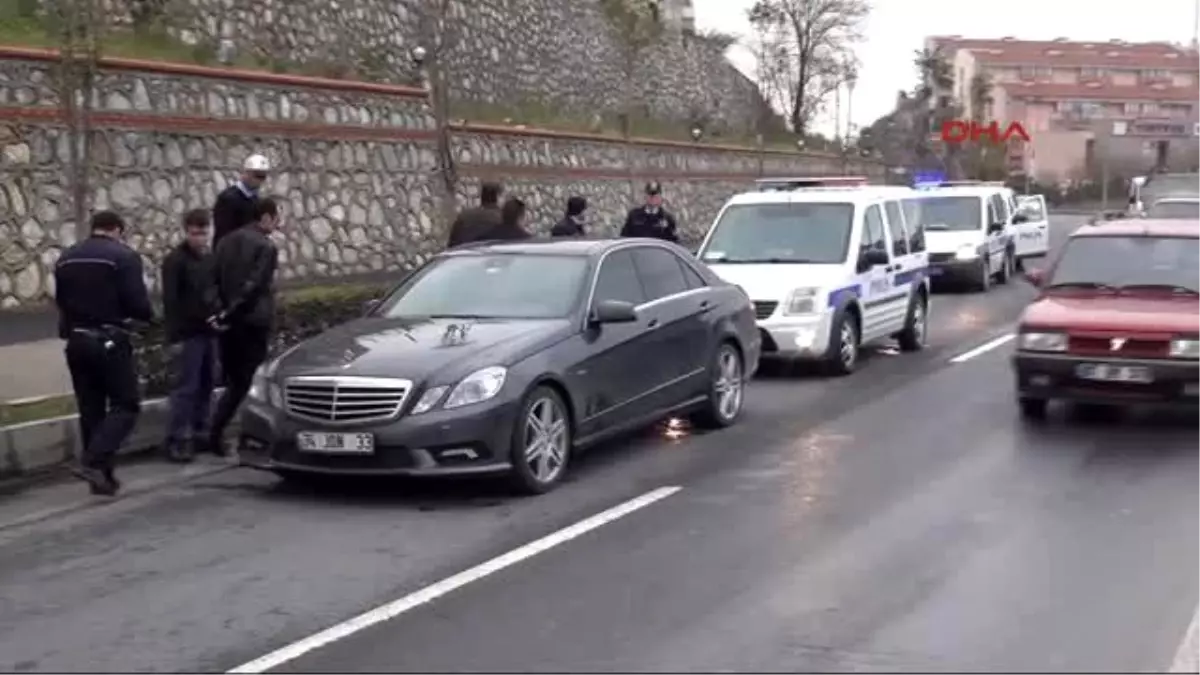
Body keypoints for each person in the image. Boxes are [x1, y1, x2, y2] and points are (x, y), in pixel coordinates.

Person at [54, 211, 154, 496]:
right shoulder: (123, 257)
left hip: (76, 340)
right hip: (108, 339)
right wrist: (147, 318)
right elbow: (138, 304)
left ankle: (102, 478)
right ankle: (93, 461)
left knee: (91, 410)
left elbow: (61, 301)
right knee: (126, 404)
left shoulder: (66, 257)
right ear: (117, 230)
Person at [208, 197, 281, 456]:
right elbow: (255, 285)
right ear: (265, 217)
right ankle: (243, 436)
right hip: (253, 321)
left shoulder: (225, 242)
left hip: (229, 324)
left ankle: (216, 433)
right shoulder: (266, 247)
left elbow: (212, 280)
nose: (277, 223)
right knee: (251, 381)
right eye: (275, 217)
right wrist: (232, 310)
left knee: (234, 381)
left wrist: (221, 312)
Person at [161, 208, 220, 463]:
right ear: (186, 232)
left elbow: (213, 291)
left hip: (209, 332)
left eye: (204, 233)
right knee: (186, 387)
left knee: (207, 383)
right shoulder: (175, 260)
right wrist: (175, 337)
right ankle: (178, 438)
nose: (200, 238)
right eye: (195, 233)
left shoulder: (208, 259)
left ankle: (201, 431)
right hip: (188, 334)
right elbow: (172, 302)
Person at [212, 153, 270, 246]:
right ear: (246, 173)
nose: (260, 181)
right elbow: (223, 233)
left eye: (263, 177)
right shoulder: (228, 198)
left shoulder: (255, 199)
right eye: (257, 176)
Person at [447, 181, 504, 247]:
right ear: (497, 198)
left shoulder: (465, 216)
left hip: (465, 253)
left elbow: (452, 243)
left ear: (482, 197)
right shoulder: (503, 218)